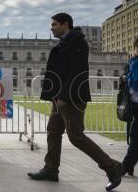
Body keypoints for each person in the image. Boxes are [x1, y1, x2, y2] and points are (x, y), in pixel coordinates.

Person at [27, 13, 122, 191]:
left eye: (54, 24)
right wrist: (55, 94)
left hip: (70, 97)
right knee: (53, 132)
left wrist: (63, 95)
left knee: (76, 137)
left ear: (65, 24)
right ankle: (50, 169)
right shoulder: (65, 42)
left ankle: (112, 166)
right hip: (59, 97)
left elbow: (77, 71)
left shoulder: (77, 43)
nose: (51, 27)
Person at [122, 38, 138, 176]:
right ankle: (129, 165)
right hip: (134, 103)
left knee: (135, 135)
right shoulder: (133, 61)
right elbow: (130, 78)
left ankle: (126, 166)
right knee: (134, 135)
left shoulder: (134, 62)